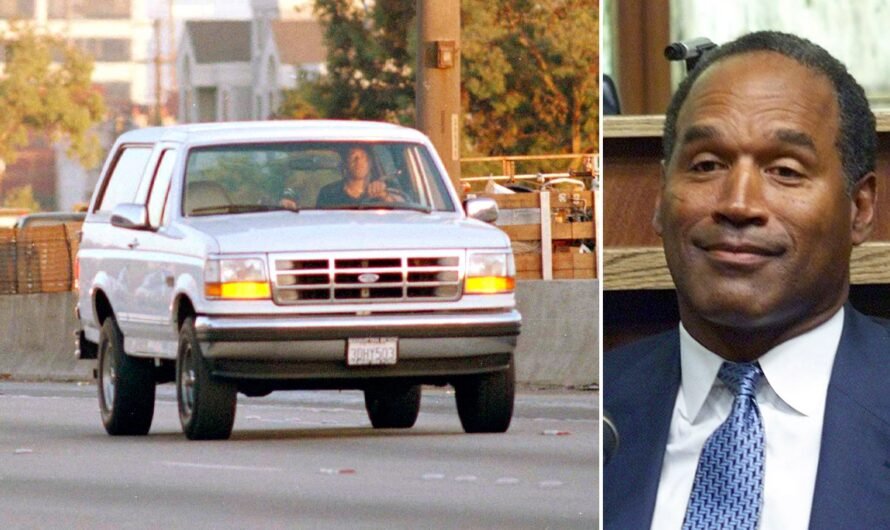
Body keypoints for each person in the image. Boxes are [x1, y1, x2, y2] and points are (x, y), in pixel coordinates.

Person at [604, 31, 890, 529]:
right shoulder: (604, 409)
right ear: (660, 197)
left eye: (784, 170)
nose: (738, 203)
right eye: (707, 165)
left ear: (859, 209)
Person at [314, 146, 398, 207]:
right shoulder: (329, 193)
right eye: (353, 156)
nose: (358, 161)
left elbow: (404, 215)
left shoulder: (388, 188)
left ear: (370, 162)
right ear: (345, 163)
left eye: (363, 156)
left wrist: (384, 196)